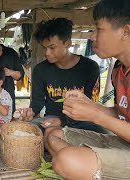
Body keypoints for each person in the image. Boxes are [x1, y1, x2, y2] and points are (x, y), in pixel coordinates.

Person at [45, 0, 130, 179]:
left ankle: (80, 165)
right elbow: (121, 113)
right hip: (124, 142)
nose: (92, 36)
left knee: (65, 160)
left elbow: (103, 119)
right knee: (52, 135)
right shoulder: (118, 69)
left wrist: (95, 115)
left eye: (99, 29)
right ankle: (88, 168)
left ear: (126, 32)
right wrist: (90, 105)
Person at [20, 18, 106, 133]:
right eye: (45, 48)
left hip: (82, 121)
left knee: (102, 134)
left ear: (68, 43)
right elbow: (37, 102)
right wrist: (30, 113)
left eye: (52, 47)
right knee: (26, 131)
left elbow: (91, 105)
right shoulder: (40, 70)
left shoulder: (90, 68)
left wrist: (62, 121)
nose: (47, 53)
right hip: (50, 120)